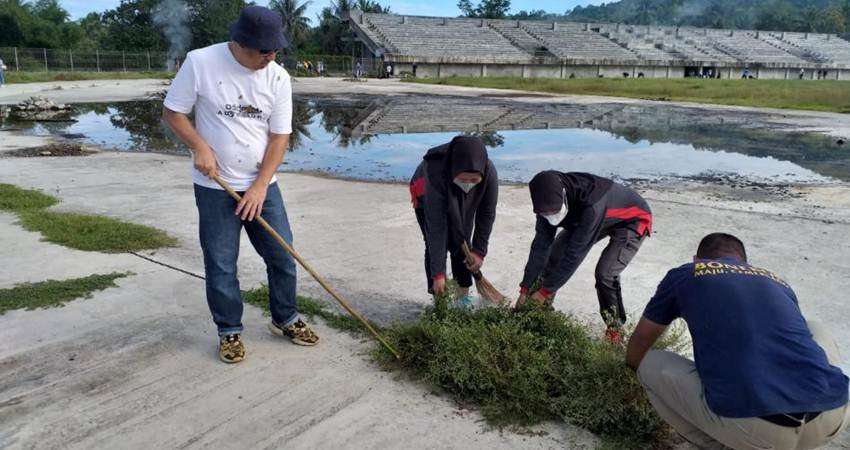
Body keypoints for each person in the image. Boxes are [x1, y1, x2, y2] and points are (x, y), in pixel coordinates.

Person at [162, 5, 319, 364]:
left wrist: (261, 186)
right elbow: (173, 111)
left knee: (283, 256)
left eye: (275, 49)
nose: (271, 56)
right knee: (220, 263)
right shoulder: (200, 62)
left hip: (263, 185)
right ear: (240, 43)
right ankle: (229, 330)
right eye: (264, 51)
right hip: (216, 187)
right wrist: (200, 146)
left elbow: (280, 137)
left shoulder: (277, 77)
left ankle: (286, 317)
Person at [627, 233, 849, 450]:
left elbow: (643, 338)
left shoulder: (686, 273)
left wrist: (628, 373)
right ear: (745, 263)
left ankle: (724, 444)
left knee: (649, 362)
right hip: (832, 414)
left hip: (756, 431)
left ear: (697, 260)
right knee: (815, 328)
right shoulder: (779, 281)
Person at [516, 171, 652, 341]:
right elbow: (540, 247)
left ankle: (615, 330)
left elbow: (575, 254)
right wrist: (525, 288)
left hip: (632, 218)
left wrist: (544, 291)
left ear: (564, 196)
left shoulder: (591, 206)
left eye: (555, 212)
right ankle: (541, 314)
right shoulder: (545, 203)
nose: (552, 218)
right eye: (547, 214)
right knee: (554, 254)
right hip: (593, 216)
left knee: (605, 274)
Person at [409, 136, 498, 306]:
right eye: (464, 180)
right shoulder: (434, 172)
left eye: (473, 180)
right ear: (455, 171)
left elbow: (486, 213)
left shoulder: (489, 171)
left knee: (461, 240)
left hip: (457, 190)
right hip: (426, 193)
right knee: (433, 243)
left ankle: (462, 298)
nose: (468, 184)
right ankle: (438, 296)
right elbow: (437, 228)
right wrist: (439, 274)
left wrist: (479, 252)